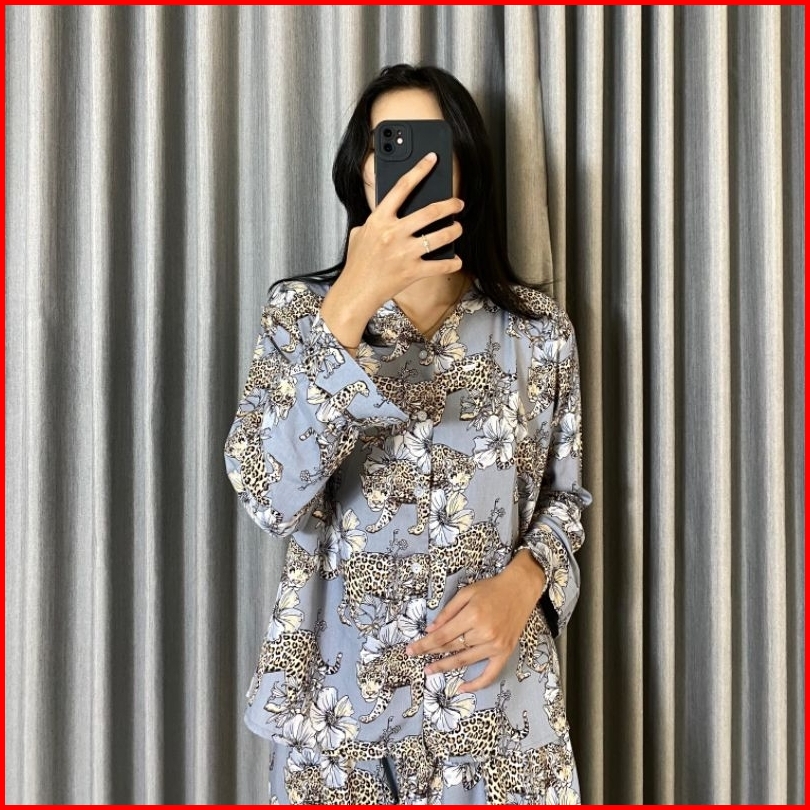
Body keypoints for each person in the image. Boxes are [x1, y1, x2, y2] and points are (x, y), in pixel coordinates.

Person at [223, 63, 592, 805]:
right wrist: (352, 303)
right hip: (340, 725)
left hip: (499, 718)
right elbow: (267, 495)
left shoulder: (537, 332)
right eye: (389, 144)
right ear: (360, 171)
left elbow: (565, 500)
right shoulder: (301, 317)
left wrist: (526, 585)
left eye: (433, 144)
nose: (411, 166)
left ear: (464, 169)